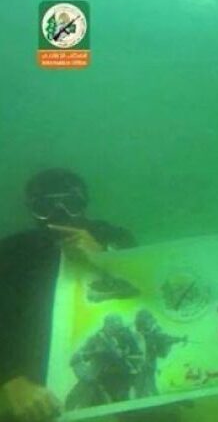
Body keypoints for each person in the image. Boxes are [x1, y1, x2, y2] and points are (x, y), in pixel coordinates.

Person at [0, 169, 136, 422]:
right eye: (45, 207)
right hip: (39, 394)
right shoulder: (12, 253)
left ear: (83, 204)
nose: (59, 213)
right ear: (31, 209)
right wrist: (10, 379)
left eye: (70, 204)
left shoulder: (114, 237)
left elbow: (145, 288)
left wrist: (104, 256)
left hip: (120, 380)